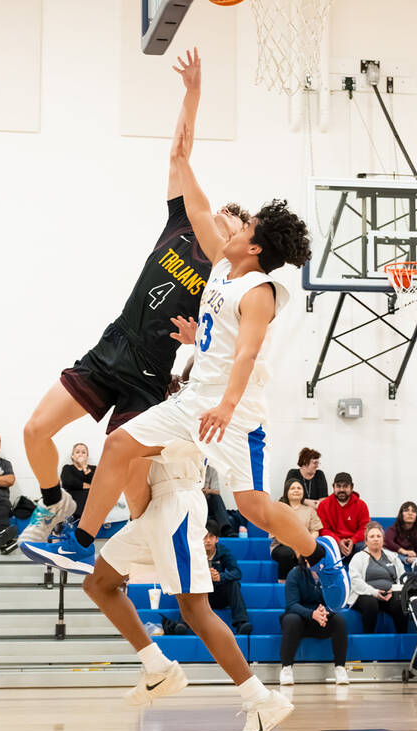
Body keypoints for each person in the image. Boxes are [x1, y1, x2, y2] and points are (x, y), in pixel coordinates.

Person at [22, 81, 350, 639]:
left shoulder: (262, 291)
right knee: (121, 444)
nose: (230, 225)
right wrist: (195, 91)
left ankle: (318, 554)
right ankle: (79, 542)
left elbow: (245, 355)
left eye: (242, 227)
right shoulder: (221, 268)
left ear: (253, 247)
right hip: (195, 400)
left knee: (253, 509)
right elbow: (180, 159)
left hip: (236, 416)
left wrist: (224, 404)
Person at [19, 50, 248, 545]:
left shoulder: (228, 276)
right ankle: (53, 503)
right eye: (223, 207)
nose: (224, 211)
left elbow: (224, 340)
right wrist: (193, 94)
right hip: (113, 345)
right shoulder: (182, 222)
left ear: (239, 234)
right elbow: (177, 154)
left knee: (132, 475)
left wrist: (195, 342)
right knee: (35, 431)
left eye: (235, 214)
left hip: (151, 368)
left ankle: (136, 544)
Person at [83, 444, 292, 731]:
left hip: (172, 506)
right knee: (98, 582)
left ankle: (261, 700)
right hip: (161, 506)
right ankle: (156, 665)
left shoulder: (153, 405)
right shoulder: (172, 405)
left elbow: (136, 471)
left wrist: (136, 516)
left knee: (195, 610)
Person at [279, 558, 349, 686]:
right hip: (300, 618)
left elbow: (336, 601)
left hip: (322, 618)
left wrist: (325, 611)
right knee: (291, 619)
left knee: (339, 620)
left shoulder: (330, 575)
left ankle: (340, 668)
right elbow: (292, 604)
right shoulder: (295, 573)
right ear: (305, 559)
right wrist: (312, 614)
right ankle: (286, 668)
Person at [347, 523, 407, 633]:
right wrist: (374, 592)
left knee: (400, 603)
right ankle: (369, 639)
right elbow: (355, 581)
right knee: (371, 603)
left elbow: (403, 577)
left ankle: (402, 640)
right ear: (366, 541)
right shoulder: (358, 557)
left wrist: (393, 590)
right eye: (372, 536)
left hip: (389, 594)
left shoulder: (392, 557)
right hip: (365, 594)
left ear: (383, 540)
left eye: (379, 536)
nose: (376, 539)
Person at [204, 523, 252, 634]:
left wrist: (220, 577)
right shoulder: (195, 554)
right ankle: (183, 623)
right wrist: (205, 576)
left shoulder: (224, 552)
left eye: (211, 536)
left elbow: (237, 572)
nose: (207, 540)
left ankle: (241, 623)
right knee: (188, 586)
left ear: (217, 539)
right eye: (204, 537)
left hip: (220, 595)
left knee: (233, 583)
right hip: (202, 596)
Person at [271, 478, 322, 581]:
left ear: (303, 492)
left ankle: (314, 583)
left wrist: (306, 543)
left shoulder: (309, 510)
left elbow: (315, 530)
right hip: (282, 545)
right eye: (292, 488)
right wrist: (296, 547)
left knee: (318, 552)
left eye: (299, 488)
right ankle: (284, 582)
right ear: (287, 492)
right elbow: (277, 534)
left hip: (305, 544)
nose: (296, 490)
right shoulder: (279, 509)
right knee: (287, 553)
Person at [316, 473, 370, 564]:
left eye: (345, 486)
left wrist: (353, 541)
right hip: (333, 544)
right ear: (333, 487)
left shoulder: (361, 505)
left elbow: (364, 528)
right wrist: (338, 541)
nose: (341, 490)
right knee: (319, 547)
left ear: (351, 487)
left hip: (356, 545)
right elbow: (323, 529)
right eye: (338, 486)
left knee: (369, 547)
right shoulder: (324, 505)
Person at [59, 444, 96, 522]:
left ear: (87, 456)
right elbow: (66, 483)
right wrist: (85, 485)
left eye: (83, 452)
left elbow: (96, 482)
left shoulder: (93, 468)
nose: (80, 455)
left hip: (89, 501)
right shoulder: (67, 468)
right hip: (72, 499)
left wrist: (84, 466)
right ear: (72, 455)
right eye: (77, 452)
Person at [203, 464, 234, 536]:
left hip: (207, 500)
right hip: (196, 500)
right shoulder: (192, 470)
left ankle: (227, 529)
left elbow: (217, 491)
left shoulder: (212, 470)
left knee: (215, 497)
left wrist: (207, 491)